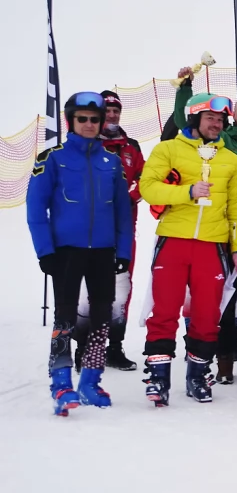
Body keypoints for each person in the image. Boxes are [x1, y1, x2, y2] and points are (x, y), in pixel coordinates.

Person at [28, 92, 133, 416]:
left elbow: (122, 212)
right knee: (66, 318)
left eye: (94, 119)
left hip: (102, 251)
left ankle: (90, 380)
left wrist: (124, 251)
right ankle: (61, 383)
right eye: (82, 119)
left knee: (101, 319)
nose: (89, 125)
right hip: (66, 252)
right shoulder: (53, 158)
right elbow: (36, 210)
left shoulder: (111, 162)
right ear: (70, 121)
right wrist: (45, 251)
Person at [140, 93, 237, 406]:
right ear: (195, 119)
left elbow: (236, 207)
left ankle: (198, 375)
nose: (217, 124)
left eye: (220, 120)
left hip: (213, 246)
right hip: (173, 240)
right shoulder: (168, 149)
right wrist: (187, 191)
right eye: (210, 118)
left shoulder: (231, 160)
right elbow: (148, 187)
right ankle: (158, 377)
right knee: (164, 311)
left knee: (206, 314)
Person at [172, 70, 237, 383]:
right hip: (225, 233)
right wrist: (184, 90)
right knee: (224, 300)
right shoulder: (223, 141)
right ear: (234, 116)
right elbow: (183, 120)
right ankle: (224, 360)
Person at [73, 90, 143, 372]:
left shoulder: (131, 146)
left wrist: (129, 194)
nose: (112, 116)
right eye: (108, 111)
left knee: (121, 289)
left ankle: (114, 347)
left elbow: (144, 177)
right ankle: (83, 348)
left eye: (116, 111)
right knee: (85, 290)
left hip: (123, 231)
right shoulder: (86, 144)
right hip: (88, 231)